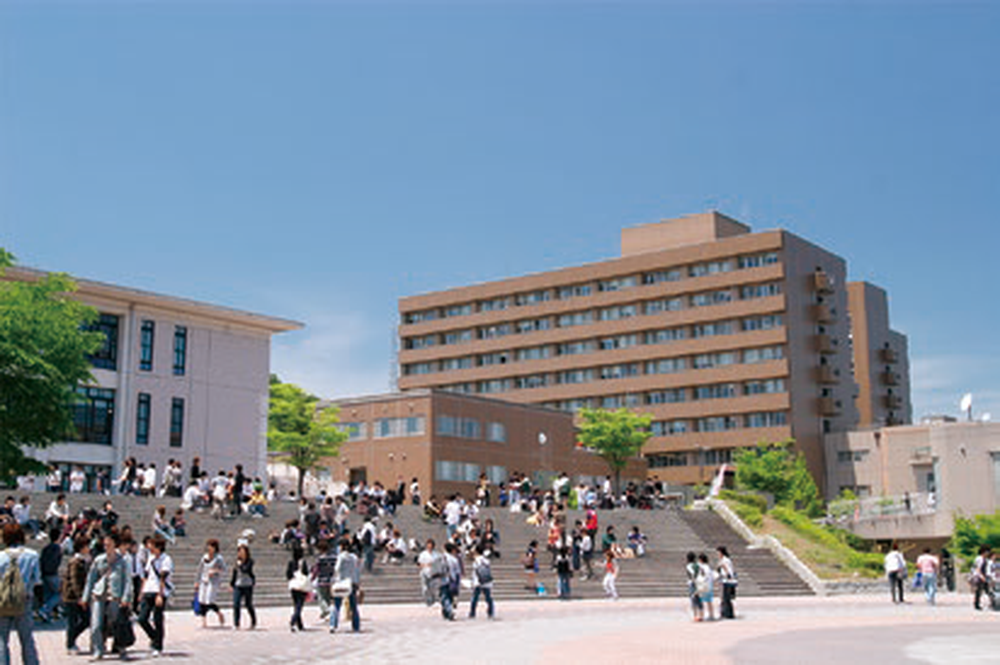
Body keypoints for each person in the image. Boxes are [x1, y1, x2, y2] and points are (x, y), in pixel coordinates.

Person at [82, 532, 132, 660]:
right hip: (99, 595)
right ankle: (98, 650)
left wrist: (126, 597)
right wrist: (85, 597)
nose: (106, 546)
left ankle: (121, 648)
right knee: (96, 624)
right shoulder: (99, 559)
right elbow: (91, 579)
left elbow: (127, 580)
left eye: (108, 544)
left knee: (117, 623)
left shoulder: (123, 561)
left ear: (115, 544)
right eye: (105, 544)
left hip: (115, 596)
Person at [0, 524, 41, 665]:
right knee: (27, 639)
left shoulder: (0, 556)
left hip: (3, 601)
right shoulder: (32, 555)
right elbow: (37, 579)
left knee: (1, 640)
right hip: (24, 601)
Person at [137, 536, 172, 657]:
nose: (150, 548)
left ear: (159, 547)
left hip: (158, 591)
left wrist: (160, 595)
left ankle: (158, 646)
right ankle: (154, 637)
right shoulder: (150, 558)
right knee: (142, 618)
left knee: (158, 619)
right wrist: (141, 592)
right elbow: (146, 576)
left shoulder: (166, 559)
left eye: (152, 546)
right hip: (148, 590)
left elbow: (163, 578)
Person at [61, 534, 91, 654]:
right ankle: (70, 644)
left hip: (79, 595)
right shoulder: (76, 561)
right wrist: (80, 597)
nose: (89, 548)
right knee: (73, 621)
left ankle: (71, 639)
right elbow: (74, 580)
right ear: (82, 547)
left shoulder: (84, 560)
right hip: (72, 597)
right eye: (87, 546)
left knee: (85, 620)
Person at [331, 536, 361, 633]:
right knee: (353, 606)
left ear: (341, 546)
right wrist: (357, 582)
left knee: (336, 605)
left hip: (341, 582)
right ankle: (356, 626)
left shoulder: (341, 556)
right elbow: (357, 570)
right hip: (351, 582)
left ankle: (333, 624)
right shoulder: (354, 557)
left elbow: (337, 569)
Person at [195, 539, 226, 628]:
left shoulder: (218, 558)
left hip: (213, 582)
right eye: (208, 546)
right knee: (202, 600)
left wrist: (215, 571)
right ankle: (204, 621)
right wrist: (197, 581)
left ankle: (219, 613)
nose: (209, 548)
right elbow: (200, 570)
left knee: (209, 600)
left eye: (212, 546)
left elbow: (224, 569)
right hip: (203, 580)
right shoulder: (204, 557)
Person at [230, 544, 257, 630]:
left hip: (247, 585)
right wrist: (231, 584)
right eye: (239, 551)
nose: (240, 553)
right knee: (236, 604)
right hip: (238, 585)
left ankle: (253, 621)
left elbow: (245, 570)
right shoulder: (237, 562)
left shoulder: (250, 561)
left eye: (242, 551)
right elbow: (234, 573)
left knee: (248, 604)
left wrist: (240, 565)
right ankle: (236, 623)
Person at [285, 545, 309, 632]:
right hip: (301, 585)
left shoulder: (291, 562)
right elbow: (306, 573)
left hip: (293, 585)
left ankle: (300, 624)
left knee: (296, 604)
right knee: (299, 605)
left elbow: (288, 574)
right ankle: (293, 621)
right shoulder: (303, 562)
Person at [468, 545, 495, 620]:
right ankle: (491, 612)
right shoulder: (486, 560)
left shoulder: (476, 561)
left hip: (478, 582)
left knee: (475, 598)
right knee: (488, 598)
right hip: (487, 581)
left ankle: (472, 613)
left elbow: (475, 572)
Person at [716, 546, 738, 619]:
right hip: (724, 580)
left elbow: (729, 572)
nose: (718, 554)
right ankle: (725, 612)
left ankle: (728, 613)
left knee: (726, 598)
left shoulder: (725, 560)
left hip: (727, 581)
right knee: (724, 598)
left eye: (718, 552)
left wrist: (723, 567)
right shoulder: (723, 560)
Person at [685, 552, 704, 622]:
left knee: (693, 600)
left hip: (693, 584)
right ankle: (701, 615)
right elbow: (702, 572)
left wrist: (694, 580)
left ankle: (695, 616)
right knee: (699, 599)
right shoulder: (698, 565)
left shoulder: (689, 566)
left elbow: (692, 574)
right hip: (699, 583)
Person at [971, 545, 990, 610]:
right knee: (979, 591)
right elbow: (978, 569)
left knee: (986, 590)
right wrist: (981, 576)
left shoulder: (985, 559)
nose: (988, 553)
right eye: (987, 552)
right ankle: (977, 604)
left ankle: (990, 603)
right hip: (979, 576)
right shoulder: (979, 559)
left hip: (983, 576)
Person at [698, 553, 716, 620]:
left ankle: (701, 615)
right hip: (709, 585)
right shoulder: (708, 567)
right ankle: (711, 615)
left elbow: (702, 576)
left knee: (701, 601)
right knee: (709, 601)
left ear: (701, 560)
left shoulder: (702, 567)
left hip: (703, 585)